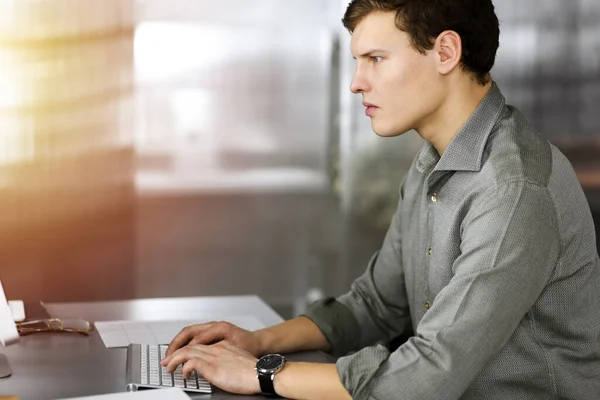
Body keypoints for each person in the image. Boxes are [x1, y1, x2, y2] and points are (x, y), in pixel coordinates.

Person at [160, 0, 600, 398]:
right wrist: (257, 342)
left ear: (446, 52)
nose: (355, 83)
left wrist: (261, 373)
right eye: (357, 61)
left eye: (375, 59)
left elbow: (429, 373)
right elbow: (375, 304)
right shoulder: (433, 163)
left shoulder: (513, 188)